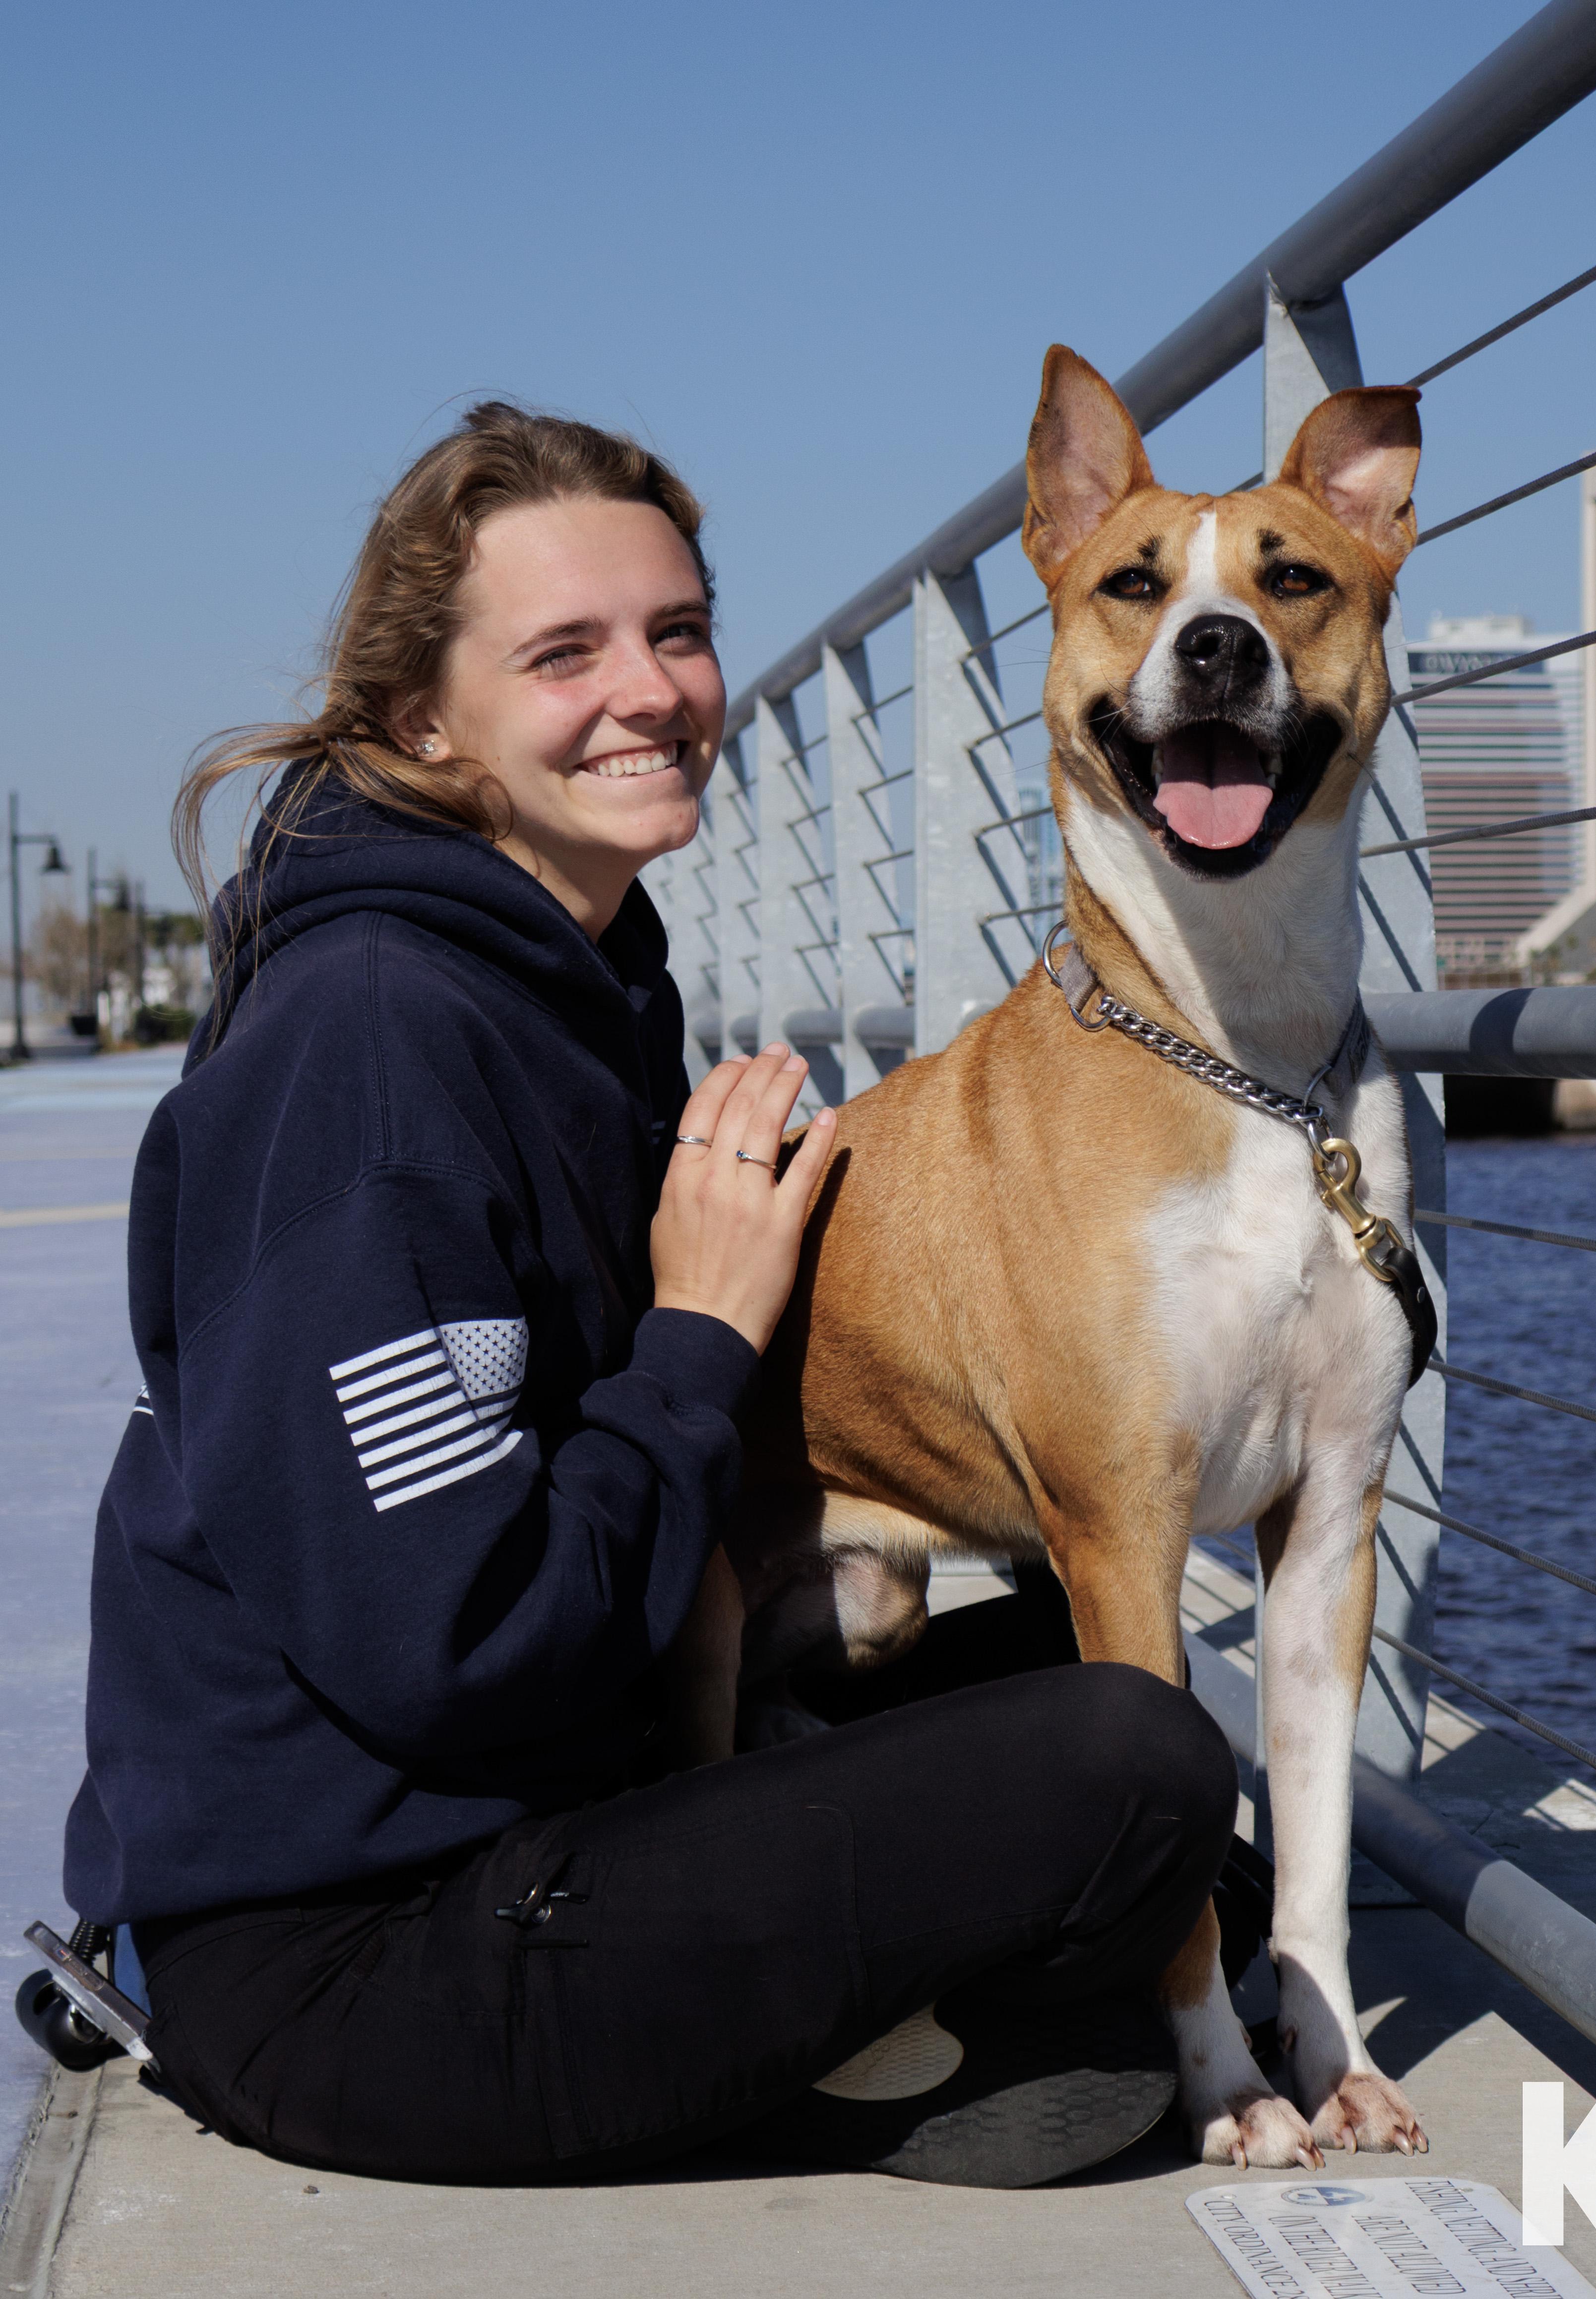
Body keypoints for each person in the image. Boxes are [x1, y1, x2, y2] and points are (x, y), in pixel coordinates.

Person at [64, 401, 1242, 2189]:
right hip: (354, 1949)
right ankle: (863, 2057)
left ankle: (894, 2024)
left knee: (1125, 1709)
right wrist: (697, 1334)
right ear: (423, 722)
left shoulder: (587, 978)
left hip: (562, 1797)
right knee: (1130, 1766)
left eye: (676, 633)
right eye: (565, 653)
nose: (652, 690)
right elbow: (453, 1642)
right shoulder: (371, 1054)